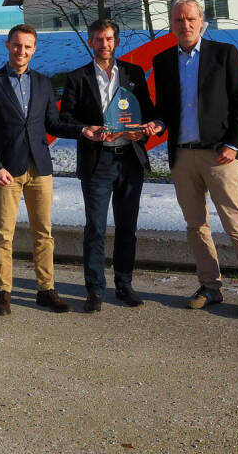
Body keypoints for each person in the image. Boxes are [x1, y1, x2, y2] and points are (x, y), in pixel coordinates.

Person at [151, 0, 238, 319]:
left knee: (235, 225)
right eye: (178, 20)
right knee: (196, 226)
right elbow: (165, 110)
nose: (185, 25)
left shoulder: (224, 54)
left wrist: (234, 144)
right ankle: (210, 286)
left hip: (221, 157)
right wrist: (157, 123)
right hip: (183, 158)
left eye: (190, 19)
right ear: (171, 25)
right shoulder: (163, 62)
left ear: (202, 22)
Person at [0, 24, 98, 315]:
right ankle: (3, 292)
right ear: (8, 45)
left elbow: (53, 124)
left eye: (28, 46)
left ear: (35, 49)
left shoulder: (43, 83)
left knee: (44, 232)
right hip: (7, 171)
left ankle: (46, 290)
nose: (22, 51)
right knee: (4, 234)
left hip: (41, 169)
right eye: (17, 45)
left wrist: (83, 130)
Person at [60, 19, 157, 312]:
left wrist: (147, 127)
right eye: (99, 39)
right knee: (96, 229)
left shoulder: (133, 73)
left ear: (116, 41)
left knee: (127, 227)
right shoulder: (77, 77)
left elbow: (148, 111)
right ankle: (95, 290)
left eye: (110, 39)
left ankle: (124, 285)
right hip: (97, 160)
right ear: (91, 42)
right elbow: (65, 119)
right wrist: (87, 129)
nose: (105, 44)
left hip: (129, 159)